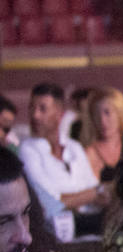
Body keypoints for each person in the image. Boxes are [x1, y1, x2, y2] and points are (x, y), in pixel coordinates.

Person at [18, 83, 104, 221]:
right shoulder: (27, 150)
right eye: (31, 108)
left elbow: (96, 192)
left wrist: (73, 198)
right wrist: (93, 194)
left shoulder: (74, 147)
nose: (35, 115)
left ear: (60, 113)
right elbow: (49, 203)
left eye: (42, 109)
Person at [79, 87, 123, 179]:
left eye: (107, 113)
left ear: (120, 113)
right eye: (97, 115)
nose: (102, 121)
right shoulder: (89, 155)